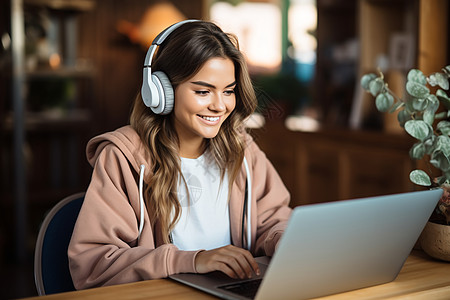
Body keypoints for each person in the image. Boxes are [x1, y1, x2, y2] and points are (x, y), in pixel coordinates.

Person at [68, 20, 292, 290]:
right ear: (161, 91)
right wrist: (191, 261)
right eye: (202, 91)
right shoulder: (123, 157)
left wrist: (283, 239)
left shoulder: (242, 150)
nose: (219, 106)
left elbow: (274, 219)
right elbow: (94, 264)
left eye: (229, 91)